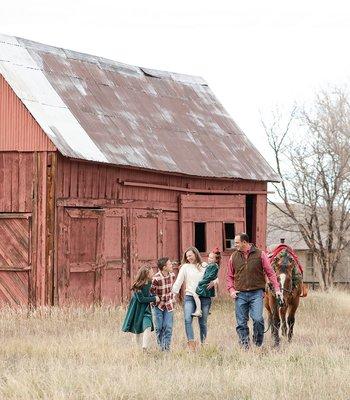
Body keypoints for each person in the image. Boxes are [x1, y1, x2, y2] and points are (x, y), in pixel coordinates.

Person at [226, 233, 281, 349]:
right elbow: (230, 276)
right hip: (239, 294)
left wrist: (277, 289)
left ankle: (257, 344)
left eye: (237, 242)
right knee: (241, 323)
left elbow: (270, 273)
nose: (234, 245)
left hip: (256, 293)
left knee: (257, 319)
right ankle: (245, 346)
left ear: (244, 242)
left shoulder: (260, 254)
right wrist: (231, 290)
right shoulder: (233, 257)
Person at [172, 246, 216, 349]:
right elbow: (178, 282)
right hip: (190, 296)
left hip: (204, 297)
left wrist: (214, 282)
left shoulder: (205, 266)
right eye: (187, 256)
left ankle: (204, 344)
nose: (189, 258)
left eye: (190, 255)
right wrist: (173, 295)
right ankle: (191, 343)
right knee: (187, 319)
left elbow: (215, 276)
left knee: (203, 322)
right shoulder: (185, 267)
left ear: (196, 254)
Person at [122, 265, 159, 350]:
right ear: (146, 274)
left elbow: (151, 293)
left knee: (148, 326)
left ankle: (144, 348)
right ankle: (136, 348)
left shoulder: (151, 283)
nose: (153, 273)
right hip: (137, 310)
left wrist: (154, 296)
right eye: (151, 271)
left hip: (146, 311)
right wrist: (154, 298)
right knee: (137, 329)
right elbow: (141, 299)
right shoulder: (138, 285)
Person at [151, 257, 175, 351]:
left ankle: (166, 349)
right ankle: (161, 347)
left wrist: (172, 298)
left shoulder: (172, 275)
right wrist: (154, 300)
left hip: (168, 304)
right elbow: (151, 292)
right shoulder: (156, 278)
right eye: (170, 264)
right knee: (159, 327)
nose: (171, 265)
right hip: (158, 306)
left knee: (168, 327)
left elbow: (172, 289)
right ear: (164, 267)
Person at [191, 247, 221, 317]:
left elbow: (209, 276)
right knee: (209, 296)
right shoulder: (213, 265)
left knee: (195, 295)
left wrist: (200, 282)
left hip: (205, 284)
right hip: (207, 284)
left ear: (216, 260)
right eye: (209, 257)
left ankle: (198, 310)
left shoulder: (212, 266)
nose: (209, 259)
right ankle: (207, 310)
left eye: (211, 258)